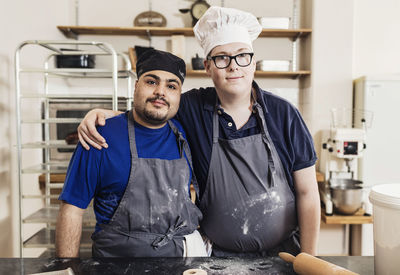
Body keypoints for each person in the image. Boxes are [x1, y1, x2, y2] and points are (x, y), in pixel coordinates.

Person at [77, 6, 320, 256]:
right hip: (218, 258)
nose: (233, 66)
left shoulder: (284, 115)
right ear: (207, 66)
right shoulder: (193, 108)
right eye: (222, 58)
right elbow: (153, 110)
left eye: (242, 56)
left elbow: (308, 193)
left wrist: (308, 260)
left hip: (285, 255)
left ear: (253, 62)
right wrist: (105, 115)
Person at [55, 49, 207, 258]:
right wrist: (66, 267)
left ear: (178, 95)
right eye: (151, 82)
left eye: (171, 86)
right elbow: (72, 209)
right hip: (117, 264)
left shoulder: (186, 133)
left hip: (179, 261)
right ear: (136, 86)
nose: (161, 92)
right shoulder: (99, 137)